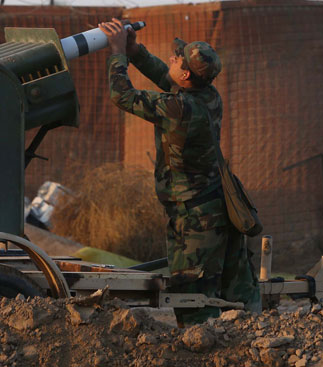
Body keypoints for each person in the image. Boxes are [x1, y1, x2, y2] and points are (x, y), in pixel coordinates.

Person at [99, 18, 260, 325]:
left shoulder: (181, 108)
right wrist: (137, 51)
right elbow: (168, 77)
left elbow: (122, 95)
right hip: (215, 207)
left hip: (195, 219)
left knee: (195, 302)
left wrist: (118, 52)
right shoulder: (209, 96)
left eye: (177, 58)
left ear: (186, 74)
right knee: (236, 293)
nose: (171, 57)